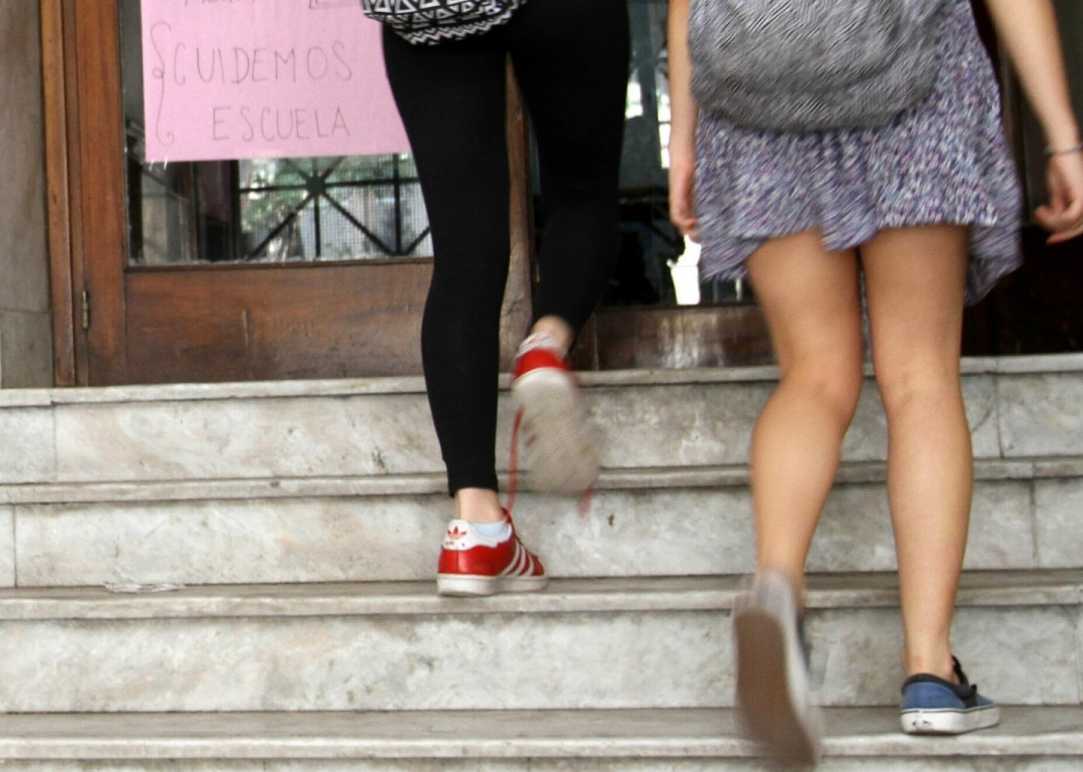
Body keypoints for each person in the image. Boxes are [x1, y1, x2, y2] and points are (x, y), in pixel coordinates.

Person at [667, 0, 1083, 763]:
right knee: (919, 378)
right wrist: (1063, 135)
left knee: (812, 374)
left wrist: (683, 139)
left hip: (757, 109)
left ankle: (778, 586)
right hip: (916, 96)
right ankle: (928, 670)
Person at [362, 0, 630, 597]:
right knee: (581, 194)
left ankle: (476, 523)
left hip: (433, 10)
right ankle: (546, 343)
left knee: (464, 256)